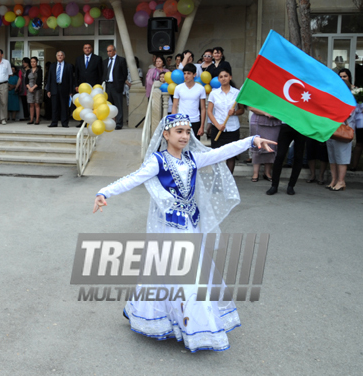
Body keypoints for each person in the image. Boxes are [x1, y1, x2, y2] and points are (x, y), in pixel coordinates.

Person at [93, 113, 275, 353]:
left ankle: (194, 324)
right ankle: (189, 325)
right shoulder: (157, 161)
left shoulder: (192, 159)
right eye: (179, 131)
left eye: (187, 132)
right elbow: (133, 179)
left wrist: (251, 141)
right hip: (169, 228)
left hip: (190, 226)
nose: (184, 136)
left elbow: (220, 152)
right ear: (166, 134)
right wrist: (104, 192)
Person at [207, 69, 245, 173]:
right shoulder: (214, 93)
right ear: (218, 79)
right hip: (218, 128)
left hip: (233, 128)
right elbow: (209, 112)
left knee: (231, 156)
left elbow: (242, 110)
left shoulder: (237, 93)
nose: (223, 78)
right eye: (221, 77)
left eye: (226, 76)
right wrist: (217, 125)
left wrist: (234, 113)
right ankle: (217, 178)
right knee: (216, 155)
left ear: (230, 77)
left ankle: (229, 180)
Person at [325, 68, 356, 191]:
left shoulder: (350, 99)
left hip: (343, 131)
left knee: (342, 156)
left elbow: (346, 115)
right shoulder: (334, 98)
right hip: (331, 130)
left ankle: (341, 181)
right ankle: (334, 179)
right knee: (332, 156)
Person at [172, 63, 206, 140]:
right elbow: (174, 107)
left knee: (194, 148)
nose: (186, 76)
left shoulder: (200, 88)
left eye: (189, 73)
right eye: (184, 73)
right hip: (181, 121)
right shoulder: (178, 88)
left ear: (194, 75)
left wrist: (202, 126)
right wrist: (174, 123)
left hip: (195, 121)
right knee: (181, 146)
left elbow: (203, 108)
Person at [249, 107, 281, 182]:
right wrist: (266, 113)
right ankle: (255, 173)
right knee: (257, 147)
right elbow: (250, 107)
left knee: (271, 147)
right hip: (258, 121)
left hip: (274, 122)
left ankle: (267, 173)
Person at [45, 51, 74, 128]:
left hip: (64, 88)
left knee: (64, 107)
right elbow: (49, 78)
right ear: (56, 57)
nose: (60, 57)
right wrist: (48, 90)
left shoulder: (68, 66)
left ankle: (64, 123)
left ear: (64, 57)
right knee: (54, 106)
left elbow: (71, 79)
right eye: (58, 55)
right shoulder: (52, 66)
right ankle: (54, 122)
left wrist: (71, 91)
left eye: (61, 55)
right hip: (54, 87)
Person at [103, 45, 128, 130]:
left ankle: (119, 124)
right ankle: (110, 123)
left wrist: (120, 83)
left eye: (110, 51)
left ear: (114, 51)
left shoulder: (121, 60)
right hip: (108, 85)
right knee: (109, 105)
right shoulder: (105, 61)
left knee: (118, 105)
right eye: (107, 51)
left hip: (116, 85)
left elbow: (124, 73)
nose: (109, 53)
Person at [26, 57, 43, 125]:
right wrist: (29, 88)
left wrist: (33, 88)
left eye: (34, 62)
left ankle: (37, 119)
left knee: (37, 104)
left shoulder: (39, 70)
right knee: (31, 104)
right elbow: (26, 81)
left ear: (37, 62)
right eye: (31, 62)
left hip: (37, 88)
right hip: (29, 88)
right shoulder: (28, 71)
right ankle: (31, 119)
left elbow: (39, 80)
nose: (32, 63)